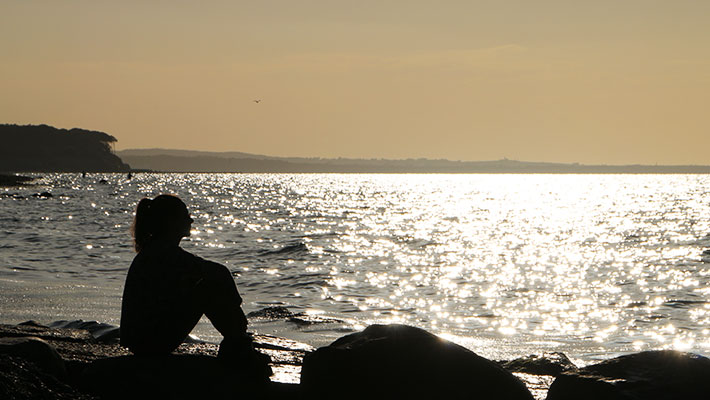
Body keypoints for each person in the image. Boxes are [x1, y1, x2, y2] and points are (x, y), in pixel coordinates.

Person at [120, 194, 271, 379]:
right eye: (185, 216)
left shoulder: (157, 251)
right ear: (170, 222)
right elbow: (215, 272)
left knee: (208, 284)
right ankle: (238, 344)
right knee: (208, 288)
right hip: (148, 344)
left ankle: (237, 341)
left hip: (143, 340)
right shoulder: (163, 253)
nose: (191, 219)